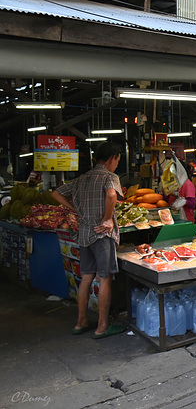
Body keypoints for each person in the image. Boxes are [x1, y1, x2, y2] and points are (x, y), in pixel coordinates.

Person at [52, 142, 126, 339]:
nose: (116, 165)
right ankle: (102, 326)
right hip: (102, 234)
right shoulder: (109, 177)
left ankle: (81, 321)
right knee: (105, 278)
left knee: (86, 277)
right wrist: (108, 218)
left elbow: (56, 193)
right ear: (112, 158)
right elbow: (111, 194)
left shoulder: (82, 179)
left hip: (84, 233)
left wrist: (75, 209)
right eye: (117, 161)